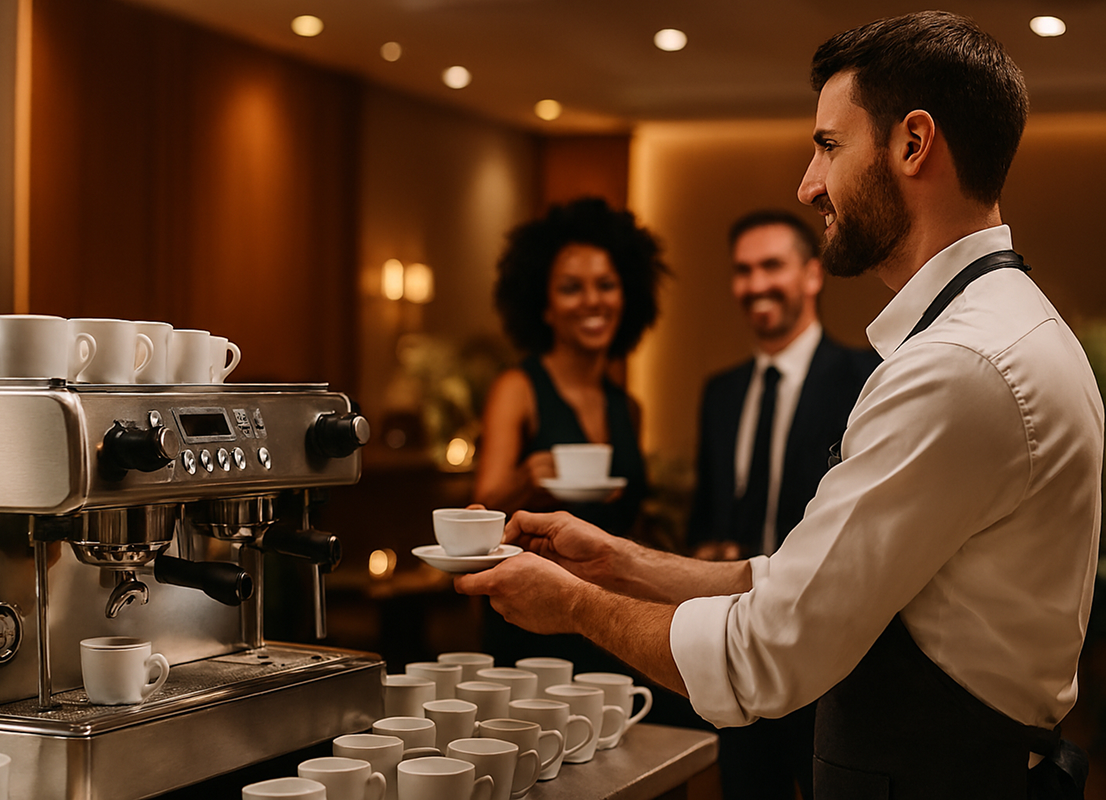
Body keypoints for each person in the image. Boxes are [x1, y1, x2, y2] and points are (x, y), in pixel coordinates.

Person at [456, 11, 1104, 800]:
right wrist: (619, 561)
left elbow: (766, 650)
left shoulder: (960, 365)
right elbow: (802, 579)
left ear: (911, 143)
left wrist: (573, 604)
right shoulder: (1003, 324)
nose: (807, 183)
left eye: (827, 145)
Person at [688, 209, 879, 799]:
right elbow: (704, 516)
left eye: (772, 265)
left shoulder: (866, 379)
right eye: (743, 270)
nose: (755, 284)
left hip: (831, 666)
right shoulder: (719, 393)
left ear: (813, 275)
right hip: (734, 649)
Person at [473, 196, 667, 537]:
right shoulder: (518, 389)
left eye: (606, 285)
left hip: (610, 588)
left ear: (627, 298)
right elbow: (480, 512)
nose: (592, 300)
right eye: (571, 288)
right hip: (537, 582)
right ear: (544, 307)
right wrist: (525, 484)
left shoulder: (628, 408)